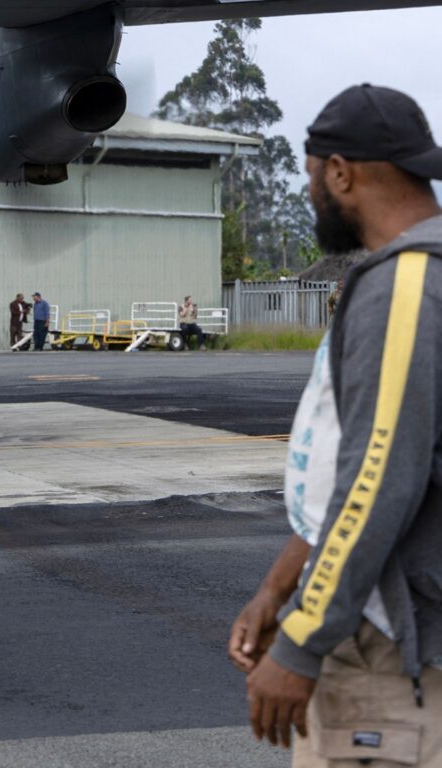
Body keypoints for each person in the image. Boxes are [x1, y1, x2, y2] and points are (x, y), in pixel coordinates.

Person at [228, 84, 442, 763]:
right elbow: (346, 467)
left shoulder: (407, 283)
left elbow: (380, 476)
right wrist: (279, 585)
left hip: (387, 640)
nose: (313, 191)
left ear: (341, 172)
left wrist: (301, 639)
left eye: (312, 175)